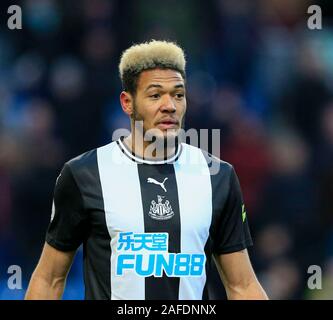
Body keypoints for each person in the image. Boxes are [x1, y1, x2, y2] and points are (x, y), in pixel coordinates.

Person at [25, 40, 268, 300]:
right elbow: (50, 279)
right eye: (155, 95)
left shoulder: (218, 177)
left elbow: (242, 285)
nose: (170, 106)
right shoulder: (84, 174)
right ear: (127, 103)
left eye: (178, 94)